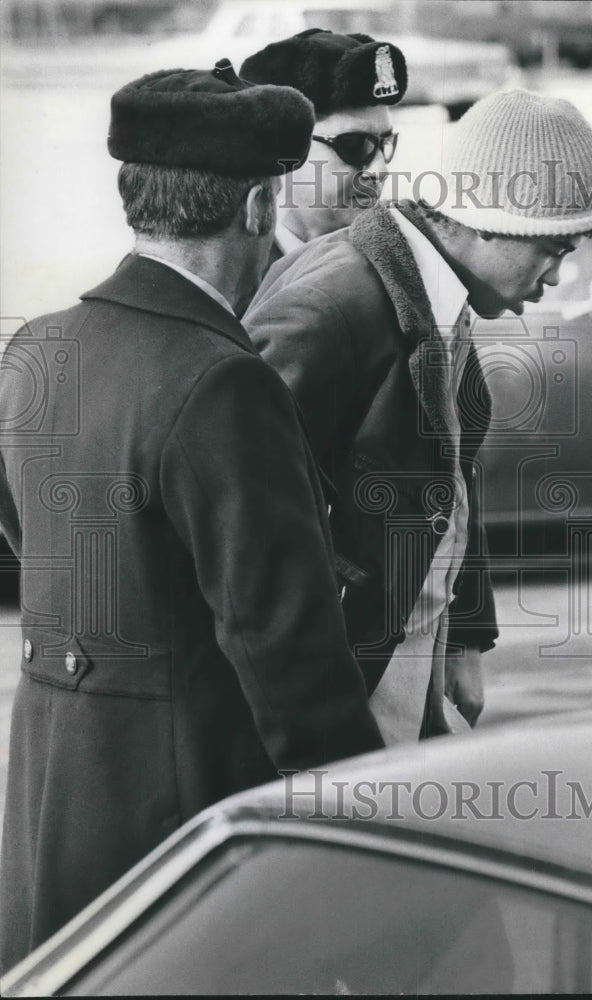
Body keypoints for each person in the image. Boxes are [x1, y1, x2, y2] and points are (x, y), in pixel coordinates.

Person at [0, 59, 384, 973]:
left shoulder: (36, 346)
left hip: (54, 803)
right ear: (256, 208)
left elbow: (28, 536)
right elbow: (290, 663)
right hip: (183, 838)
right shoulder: (225, 384)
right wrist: (378, 821)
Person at [244, 89, 592, 745]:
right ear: (483, 221)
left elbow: (448, 483)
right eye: (553, 249)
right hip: (331, 711)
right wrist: (314, 728)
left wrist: (456, 640)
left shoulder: (433, 294)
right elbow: (246, 538)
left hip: (397, 685)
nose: (557, 276)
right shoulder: (335, 305)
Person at [239, 28, 407, 267]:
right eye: (356, 146)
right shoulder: (239, 284)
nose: (380, 170)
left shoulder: (396, 269)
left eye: (386, 143)